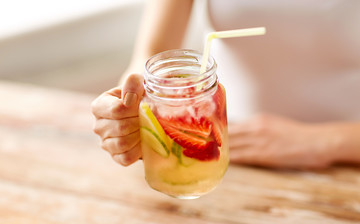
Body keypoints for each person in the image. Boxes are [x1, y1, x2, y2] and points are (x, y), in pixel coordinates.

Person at [91, 0, 360, 169]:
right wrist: (129, 108)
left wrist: (321, 142)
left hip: (345, 168)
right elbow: (154, 54)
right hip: (224, 155)